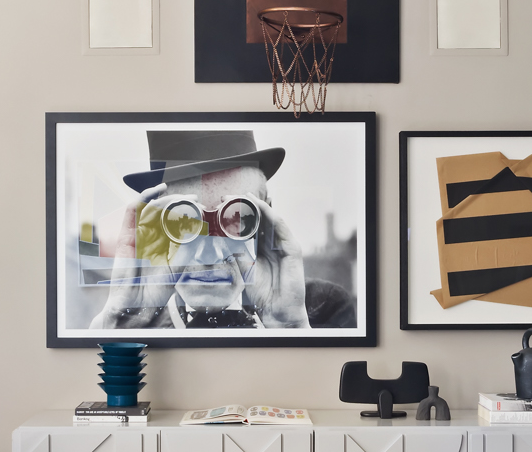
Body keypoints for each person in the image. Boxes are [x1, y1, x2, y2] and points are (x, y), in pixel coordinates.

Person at [89, 129, 353, 330]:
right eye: (184, 221)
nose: (210, 255)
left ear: (266, 221)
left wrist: (291, 329)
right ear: (156, 228)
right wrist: (120, 326)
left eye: (236, 217)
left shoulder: (324, 309)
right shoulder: (138, 317)